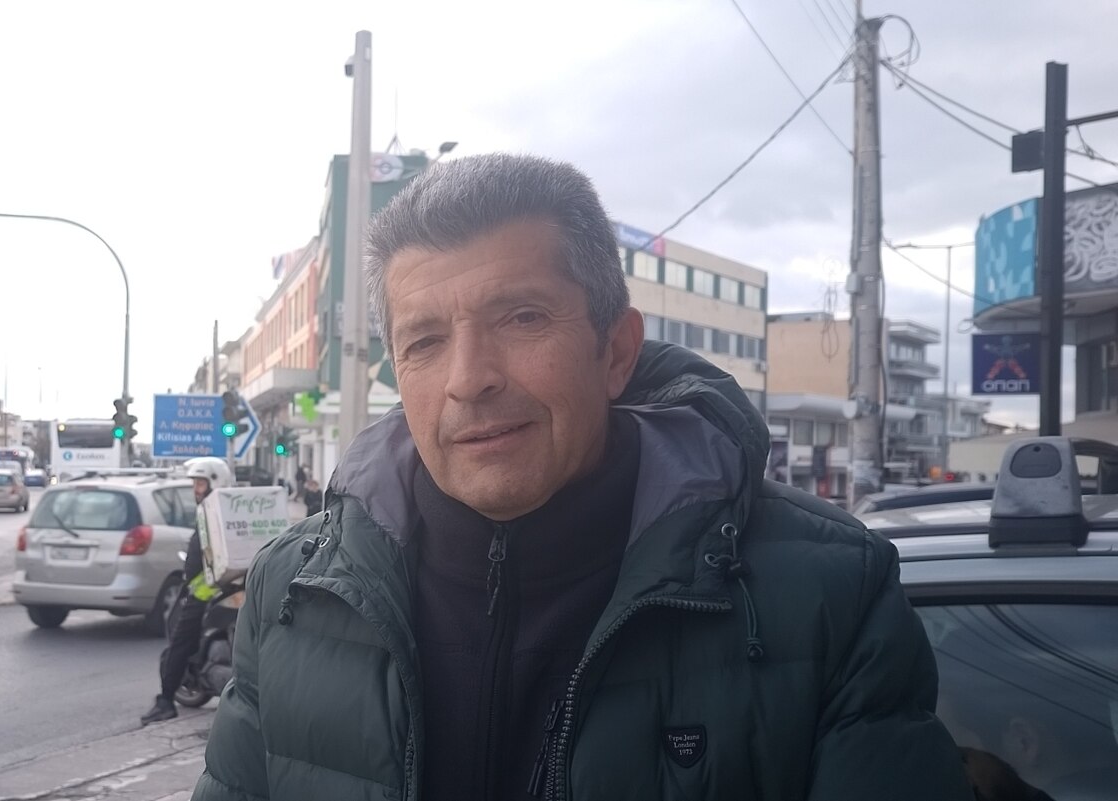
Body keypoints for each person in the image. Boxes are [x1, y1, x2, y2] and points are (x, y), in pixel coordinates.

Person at [193, 154, 972, 800]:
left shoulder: (830, 594)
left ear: (616, 351)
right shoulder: (293, 593)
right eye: (424, 341)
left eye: (522, 318)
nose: (469, 378)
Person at [140, 456, 232, 726]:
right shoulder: (226, 511)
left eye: (200, 484)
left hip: (206, 592)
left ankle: (165, 701)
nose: (196, 490)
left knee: (180, 642)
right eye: (195, 484)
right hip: (226, 590)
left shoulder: (213, 513)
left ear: (215, 482)